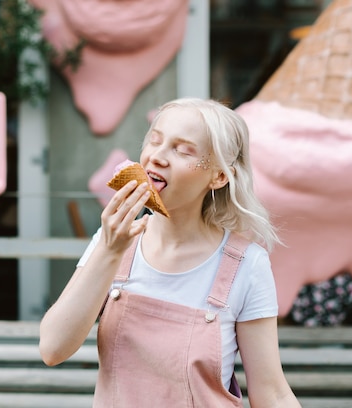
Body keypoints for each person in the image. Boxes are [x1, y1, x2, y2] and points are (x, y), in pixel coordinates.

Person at [39, 97, 301, 407]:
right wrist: (110, 250)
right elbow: (53, 349)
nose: (157, 157)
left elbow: (271, 392)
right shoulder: (114, 242)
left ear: (218, 176)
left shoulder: (246, 264)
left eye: (183, 150)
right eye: (155, 141)